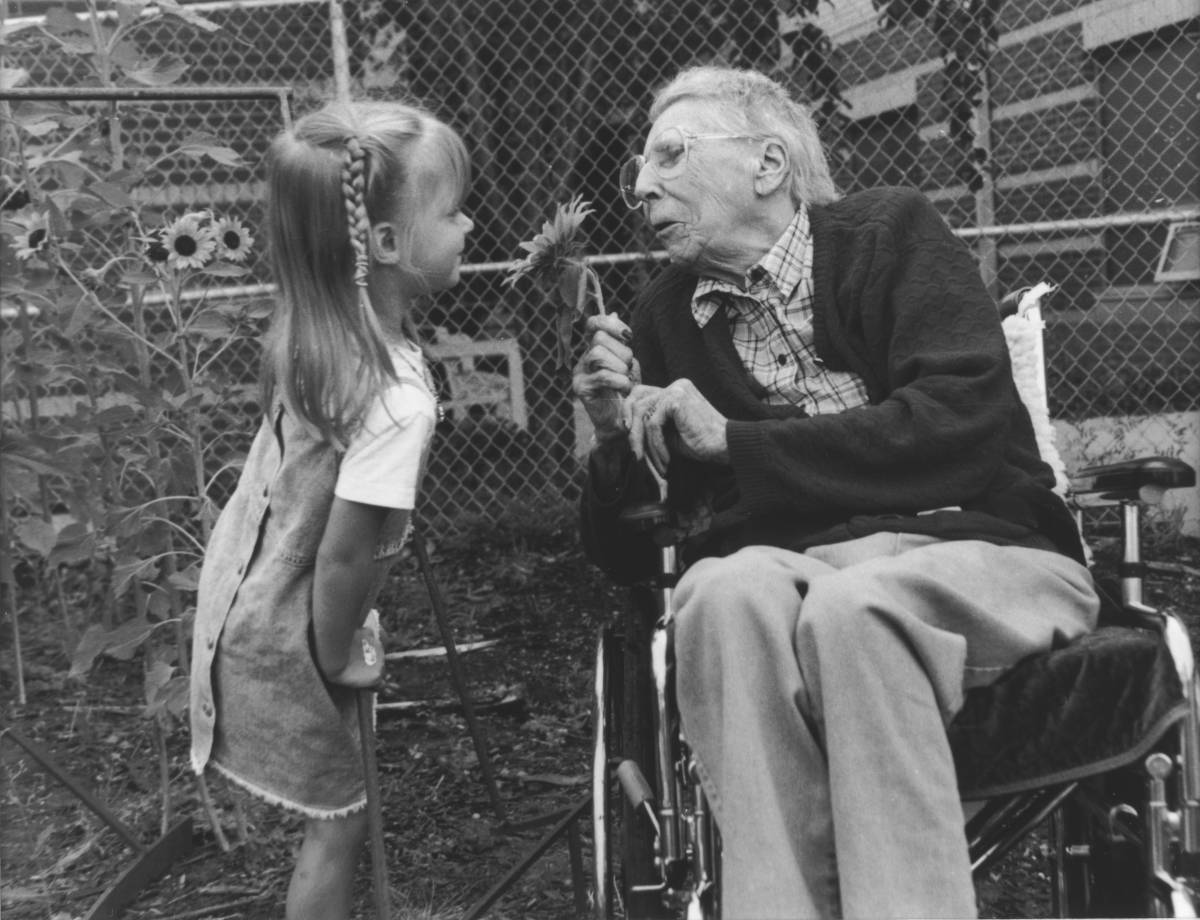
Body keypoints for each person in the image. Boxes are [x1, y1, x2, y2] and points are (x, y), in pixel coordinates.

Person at [573, 64, 1099, 919]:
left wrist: (738, 443)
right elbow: (628, 549)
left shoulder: (889, 234)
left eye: (670, 155)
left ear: (768, 165)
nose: (640, 184)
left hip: (981, 550)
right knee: (718, 592)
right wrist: (608, 436)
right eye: (642, 163)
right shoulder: (665, 314)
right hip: (794, 571)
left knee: (855, 610)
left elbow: (960, 421)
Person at [189, 100, 473, 920]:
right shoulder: (395, 399)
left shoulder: (321, 337)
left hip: (249, 587)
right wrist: (342, 649)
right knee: (340, 823)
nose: (469, 224)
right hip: (288, 627)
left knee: (343, 808)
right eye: (450, 211)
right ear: (384, 245)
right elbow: (345, 558)